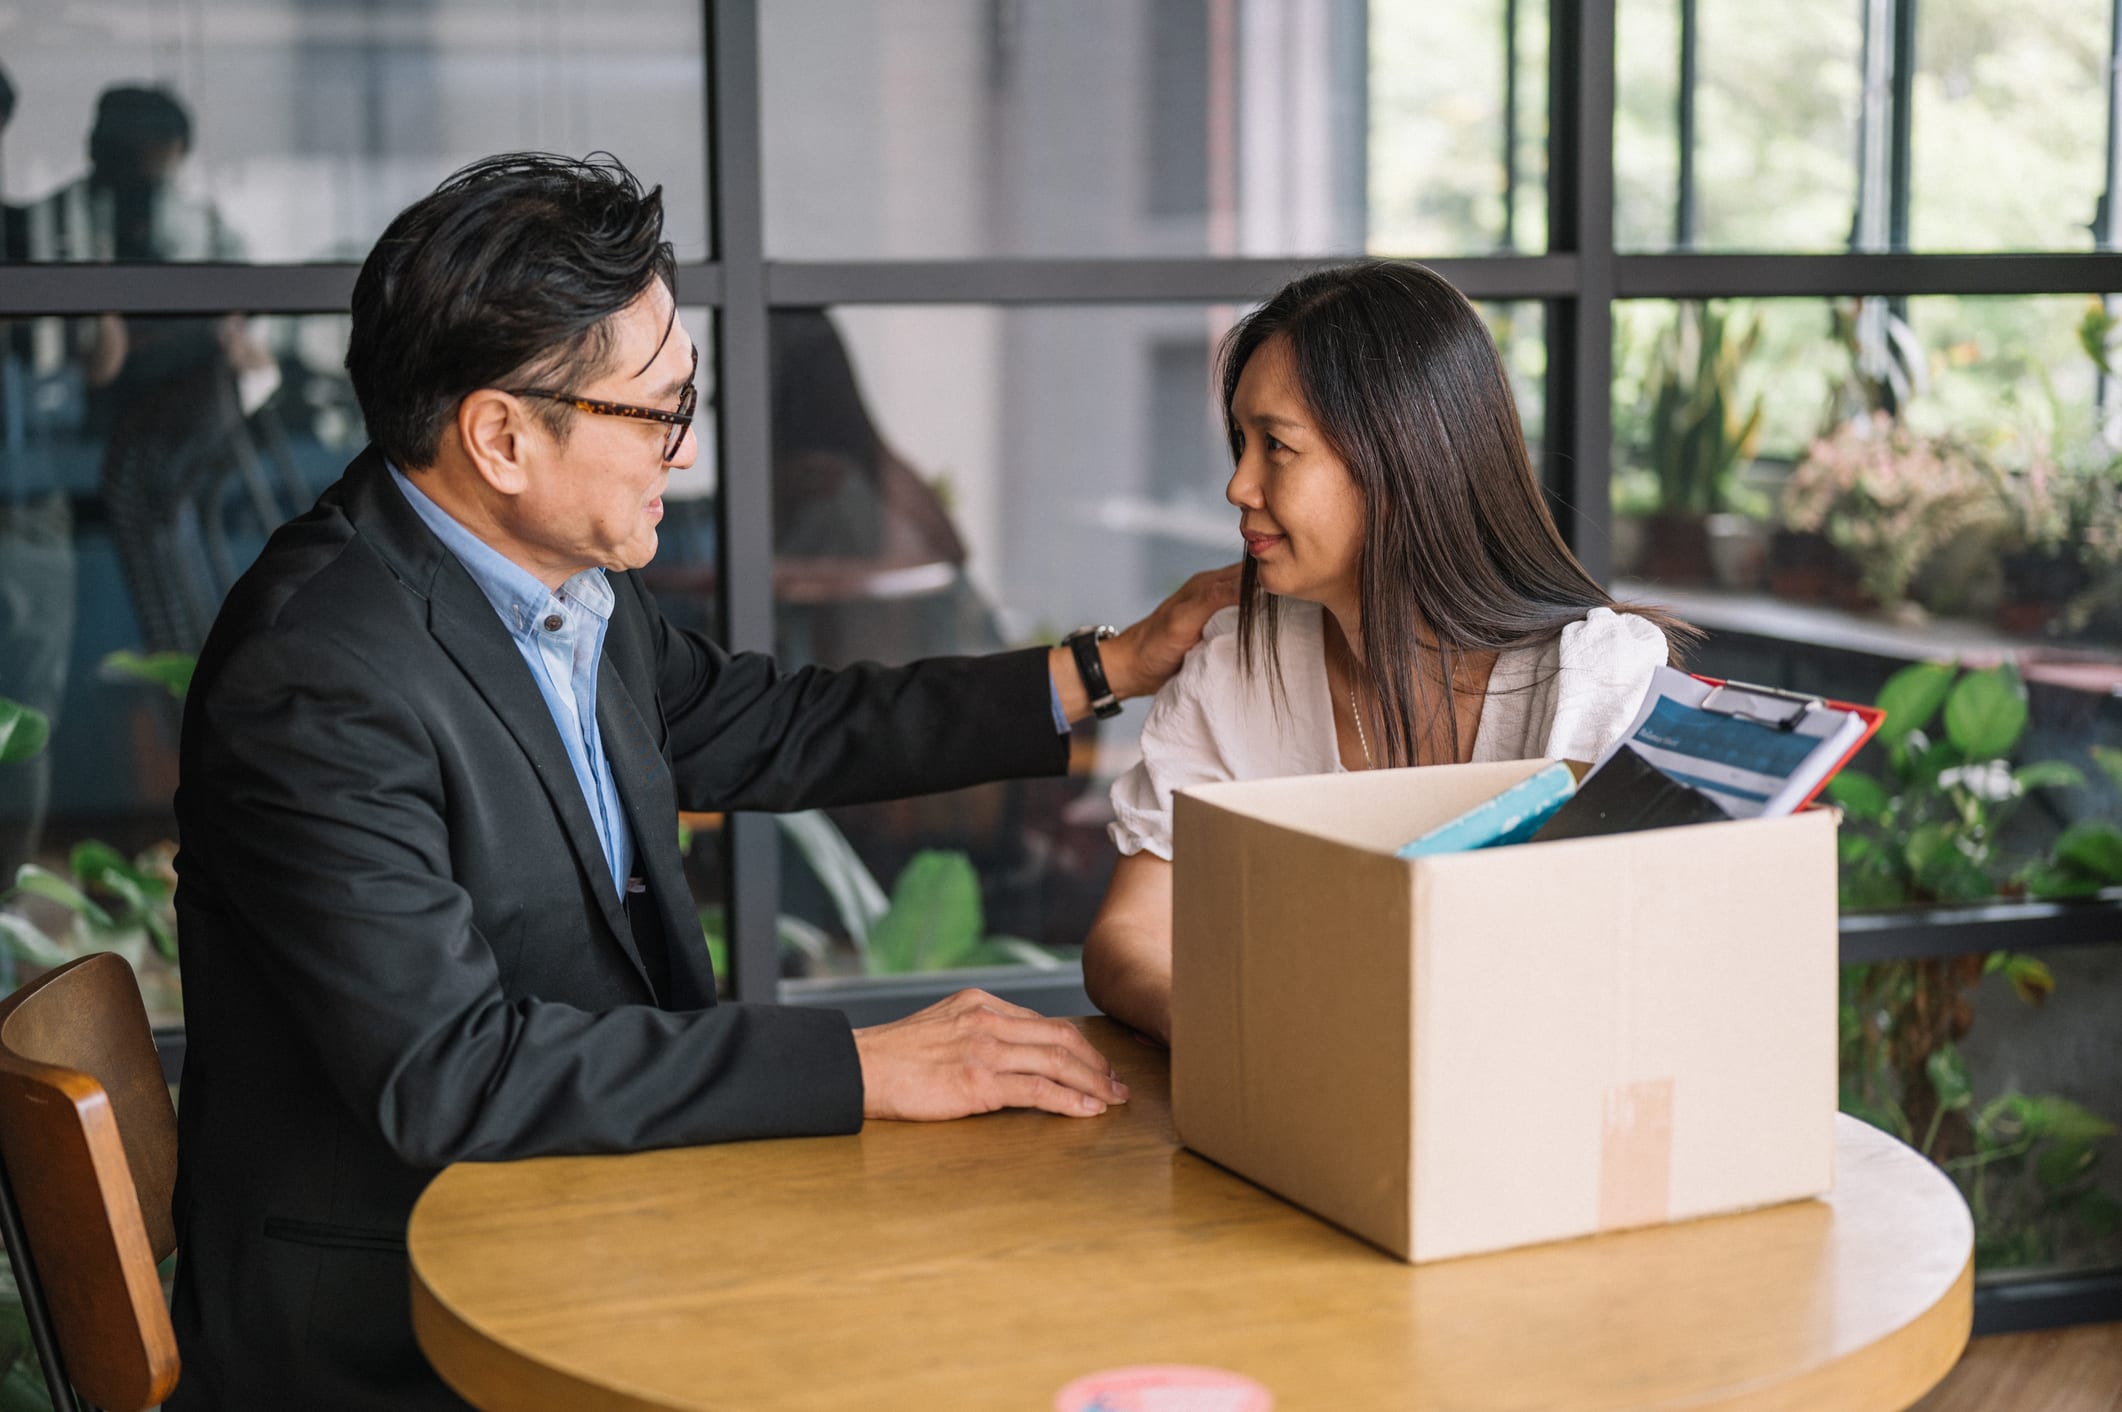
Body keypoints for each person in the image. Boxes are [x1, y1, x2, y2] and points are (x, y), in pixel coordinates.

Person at [166, 152, 1237, 1410]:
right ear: (502, 435)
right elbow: (450, 1071)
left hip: (589, 1211)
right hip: (399, 1314)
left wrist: (1111, 664)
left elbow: (776, 722)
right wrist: (864, 1065)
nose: (683, 453)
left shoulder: (556, 584)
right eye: (659, 411)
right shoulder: (317, 673)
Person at [1081, 262, 1696, 1045]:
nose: (1238, 485)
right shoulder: (1237, 666)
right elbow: (1128, 934)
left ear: (1401, 461)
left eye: (1277, 446)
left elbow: (1634, 982)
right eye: (1241, 442)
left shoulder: (1595, 684)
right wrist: (1229, 1031)